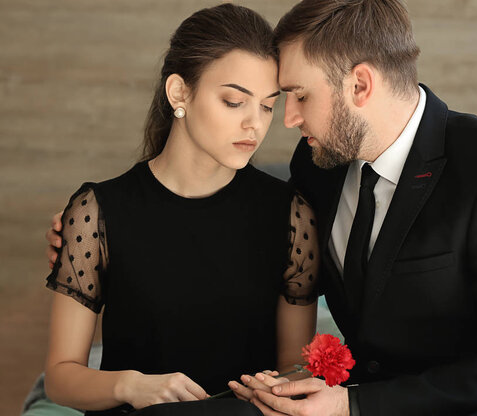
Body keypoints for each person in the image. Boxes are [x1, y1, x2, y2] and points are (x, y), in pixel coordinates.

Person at [240, 0, 477, 415]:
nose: (289, 118)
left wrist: (353, 405)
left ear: (360, 85)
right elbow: (290, 281)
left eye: (300, 95)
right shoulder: (318, 164)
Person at [42, 4, 319, 416]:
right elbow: (60, 378)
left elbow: (294, 369)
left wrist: (276, 388)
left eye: (266, 106)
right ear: (179, 93)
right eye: (233, 102)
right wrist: (130, 385)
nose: (255, 125)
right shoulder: (97, 211)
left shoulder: (292, 216)